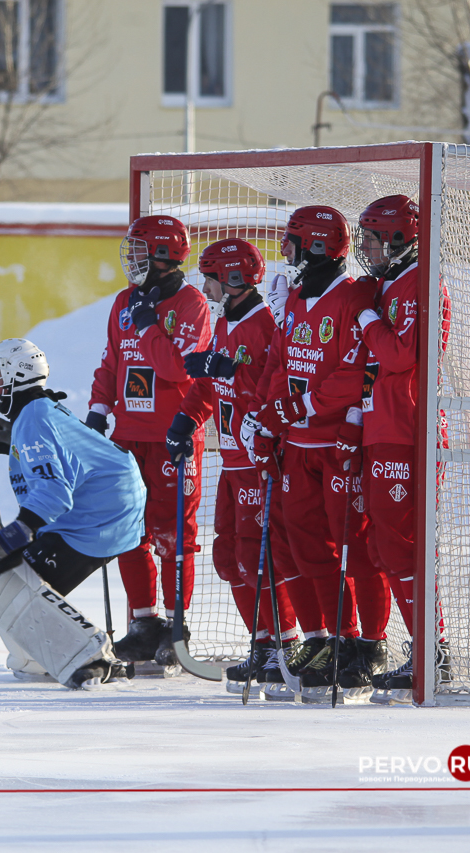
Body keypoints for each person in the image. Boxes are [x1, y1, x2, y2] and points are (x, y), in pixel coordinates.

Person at [245, 205, 389, 703]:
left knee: (356, 547)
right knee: (306, 548)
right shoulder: (295, 300)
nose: (286, 254)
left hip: (338, 445)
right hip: (297, 445)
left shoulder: (352, 296)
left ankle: (368, 645)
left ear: (321, 247)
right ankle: (326, 637)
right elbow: (280, 363)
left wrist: (302, 405)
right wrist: (267, 416)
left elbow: (359, 372)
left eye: (293, 243)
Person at [0, 338, 147, 689]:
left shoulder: (33, 415)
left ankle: (92, 656)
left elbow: (54, 491)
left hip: (99, 514)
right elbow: (69, 455)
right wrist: (13, 444)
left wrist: (14, 536)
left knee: (9, 581)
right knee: (7, 581)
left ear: (19, 375)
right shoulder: (37, 410)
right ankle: (41, 657)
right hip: (105, 504)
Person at [168, 238, 300, 695]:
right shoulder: (225, 323)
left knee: (258, 559)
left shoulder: (265, 325)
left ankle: (286, 645)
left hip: (259, 462)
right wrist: (185, 420)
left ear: (235, 278)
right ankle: (261, 641)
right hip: (230, 462)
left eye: (211, 276)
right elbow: (210, 386)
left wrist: (228, 372)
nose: (205, 285)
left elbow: (268, 393)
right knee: (229, 558)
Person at [86, 215, 212, 670]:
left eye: (141, 251)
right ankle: (144, 623)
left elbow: (179, 368)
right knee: (129, 531)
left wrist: (147, 326)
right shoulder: (123, 302)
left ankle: (177, 629)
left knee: (173, 533)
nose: (133, 260)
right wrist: (98, 410)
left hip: (172, 437)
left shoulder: (192, 303)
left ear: (163, 256)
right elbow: (111, 363)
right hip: (128, 437)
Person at [350, 195, 452, 703]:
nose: (364, 247)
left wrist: (365, 316)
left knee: (404, 546)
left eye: (371, 237)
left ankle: (431, 650)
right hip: (379, 428)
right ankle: (420, 645)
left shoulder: (419, 283)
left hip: (406, 432)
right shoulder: (390, 283)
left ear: (397, 238)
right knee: (380, 547)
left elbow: (397, 355)